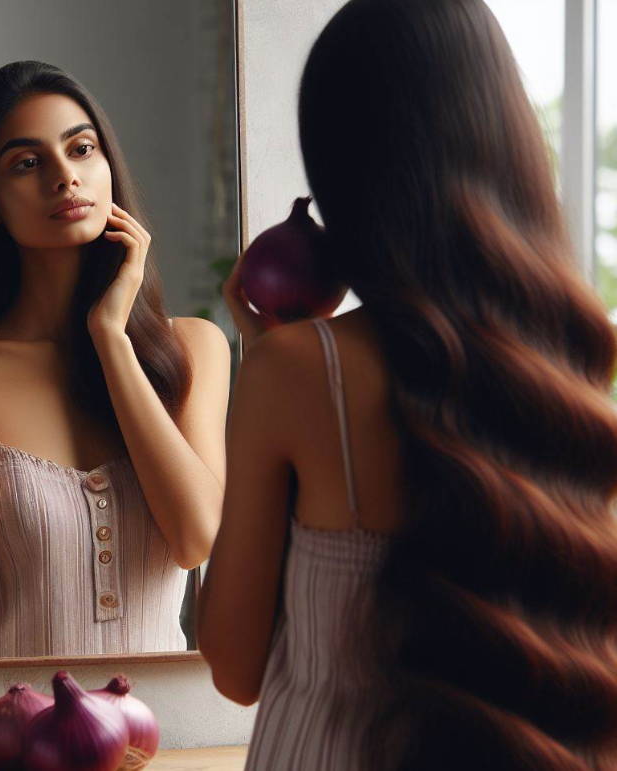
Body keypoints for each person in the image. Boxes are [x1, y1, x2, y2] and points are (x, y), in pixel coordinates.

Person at [197, 1, 617, 768]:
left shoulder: (296, 370)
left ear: (343, 175)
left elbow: (233, 665)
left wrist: (272, 363)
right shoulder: (574, 369)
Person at [0, 60, 231, 662]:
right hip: (4, 744)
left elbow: (196, 540)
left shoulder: (194, 348)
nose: (65, 177)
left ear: (109, 167)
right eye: (27, 163)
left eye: (82, 149)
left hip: (162, 745)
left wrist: (111, 335)